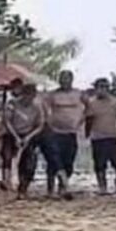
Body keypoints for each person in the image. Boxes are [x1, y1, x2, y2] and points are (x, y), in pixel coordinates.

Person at [44, 70, 86, 199]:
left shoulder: (78, 93)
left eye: (67, 78)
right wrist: (48, 121)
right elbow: (44, 107)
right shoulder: (53, 95)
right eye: (62, 78)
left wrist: (81, 121)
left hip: (71, 132)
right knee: (54, 161)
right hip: (56, 132)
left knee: (69, 161)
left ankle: (62, 188)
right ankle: (50, 190)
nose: (64, 81)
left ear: (71, 80)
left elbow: (90, 107)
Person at [85, 78, 116, 196]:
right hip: (97, 138)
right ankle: (102, 188)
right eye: (100, 87)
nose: (102, 90)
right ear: (96, 88)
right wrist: (86, 135)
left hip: (112, 136)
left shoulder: (115, 102)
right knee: (99, 164)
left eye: (105, 87)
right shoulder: (91, 103)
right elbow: (88, 120)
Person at [2, 80, 45, 198]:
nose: (29, 99)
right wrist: (16, 136)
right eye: (27, 95)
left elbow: (40, 125)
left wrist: (28, 137)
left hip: (29, 135)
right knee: (7, 157)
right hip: (12, 133)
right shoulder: (12, 103)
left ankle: (23, 187)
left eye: (32, 96)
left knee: (29, 162)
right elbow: (7, 121)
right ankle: (6, 181)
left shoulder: (37, 107)